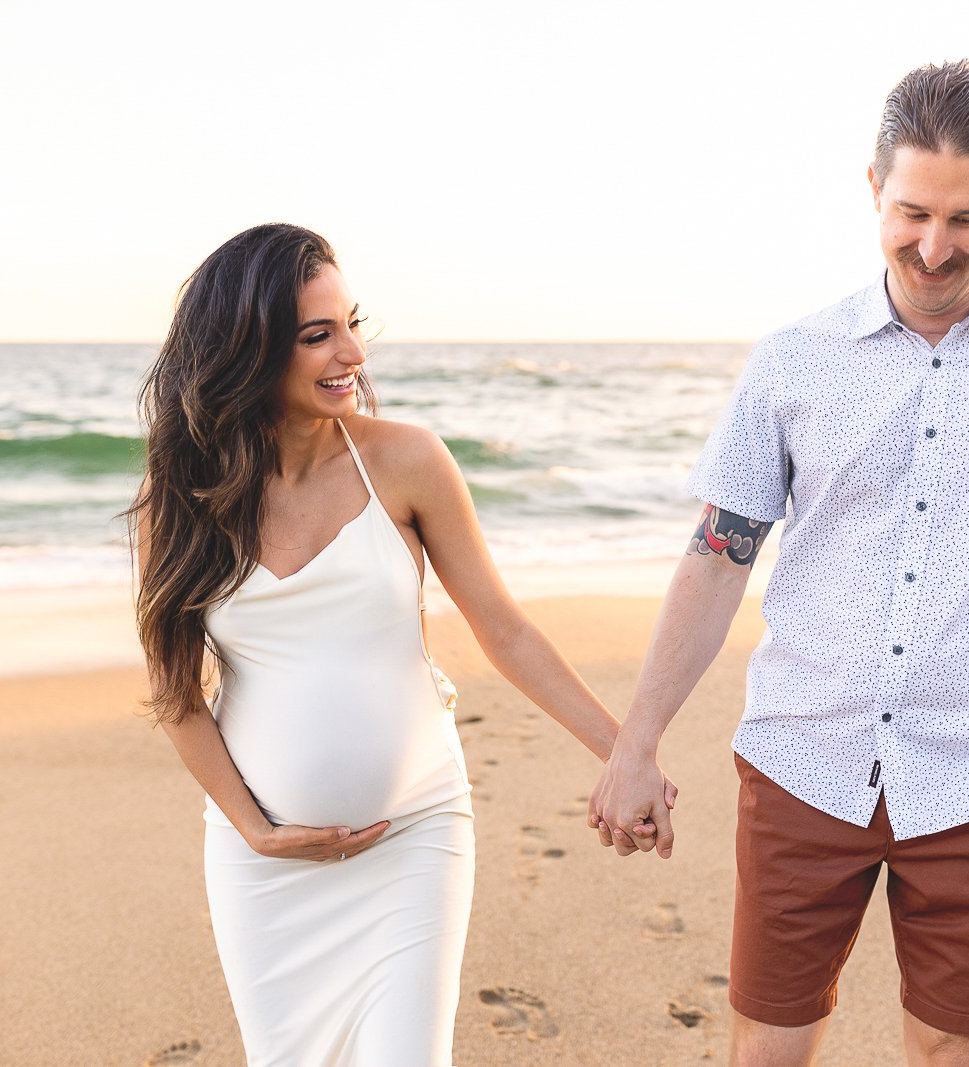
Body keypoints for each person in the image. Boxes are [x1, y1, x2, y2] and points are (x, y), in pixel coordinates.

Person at [590, 60, 969, 1066]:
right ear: (871, 186)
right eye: (910, 212)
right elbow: (717, 556)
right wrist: (636, 739)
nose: (932, 247)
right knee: (770, 1038)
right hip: (803, 756)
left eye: (967, 220)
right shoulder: (792, 360)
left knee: (951, 1044)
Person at [128, 223, 670, 1066]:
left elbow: (505, 628)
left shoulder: (409, 461)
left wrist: (625, 751)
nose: (352, 351)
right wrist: (255, 829)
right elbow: (176, 694)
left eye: (352, 322)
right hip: (261, 863)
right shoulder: (183, 495)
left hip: (413, 833)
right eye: (318, 335)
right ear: (250, 351)